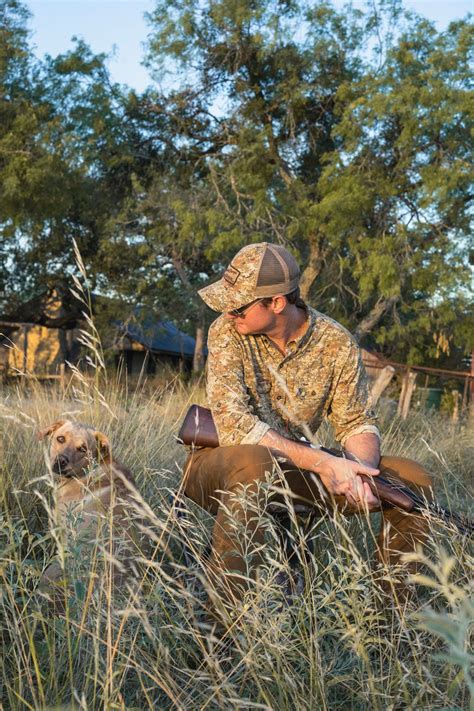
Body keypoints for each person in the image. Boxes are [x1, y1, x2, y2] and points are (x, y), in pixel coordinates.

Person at [182, 242, 432, 617]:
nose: (228, 313)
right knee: (255, 464)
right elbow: (234, 421)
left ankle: (389, 626)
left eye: (237, 306)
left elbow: (357, 421)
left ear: (277, 303)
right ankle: (218, 636)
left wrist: (357, 472)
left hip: (298, 470)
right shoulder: (226, 331)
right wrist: (322, 463)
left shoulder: (336, 342)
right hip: (219, 465)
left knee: (413, 479)